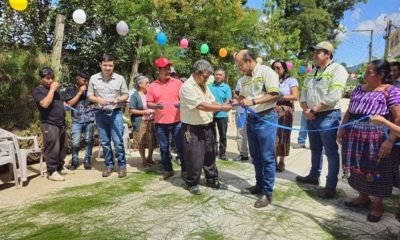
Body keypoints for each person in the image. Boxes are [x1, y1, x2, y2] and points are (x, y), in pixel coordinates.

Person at [337, 60, 400, 222]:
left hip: (377, 138)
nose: (364, 74)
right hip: (354, 135)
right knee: (357, 167)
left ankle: (378, 205)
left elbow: (399, 118)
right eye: (365, 71)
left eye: (369, 72)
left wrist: (390, 140)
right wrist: (342, 127)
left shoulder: (391, 91)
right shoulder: (358, 89)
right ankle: (363, 197)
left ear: (381, 75)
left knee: (379, 169)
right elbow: (350, 111)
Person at [296, 41, 348, 199]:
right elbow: (303, 93)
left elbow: (334, 95)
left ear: (328, 54)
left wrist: (314, 110)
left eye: (318, 52)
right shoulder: (312, 72)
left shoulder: (338, 70)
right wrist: (306, 109)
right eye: (314, 52)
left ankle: (330, 185)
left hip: (328, 116)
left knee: (331, 152)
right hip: (312, 116)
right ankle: (313, 176)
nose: (314, 55)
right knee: (315, 149)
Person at [234, 49, 280, 208]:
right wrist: (238, 99)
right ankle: (259, 185)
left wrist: (252, 102)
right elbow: (241, 96)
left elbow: (274, 94)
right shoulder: (244, 78)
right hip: (252, 119)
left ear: (249, 61)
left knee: (267, 157)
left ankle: (267, 193)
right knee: (255, 156)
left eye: (240, 65)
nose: (239, 68)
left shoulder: (266, 72)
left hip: (266, 119)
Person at [180, 59, 232, 195]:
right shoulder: (187, 87)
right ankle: (192, 182)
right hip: (192, 128)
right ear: (197, 73)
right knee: (195, 156)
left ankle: (212, 178)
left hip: (208, 125)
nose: (207, 79)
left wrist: (224, 105)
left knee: (210, 154)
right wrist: (221, 107)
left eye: (209, 76)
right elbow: (201, 105)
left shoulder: (204, 85)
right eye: (205, 76)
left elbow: (210, 101)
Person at [87, 54, 129, 178]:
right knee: (105, 142)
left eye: (110, 65)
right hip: (100, 113)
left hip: (115, 113)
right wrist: (98, 99)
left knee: (118, 141)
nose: (107, 68)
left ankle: (122, 166)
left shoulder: (120, 78)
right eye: (105, 65)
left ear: (113, 66)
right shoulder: (93, 78)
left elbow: (125, 94)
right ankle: (109, 165)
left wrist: (118, 99)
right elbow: (90, 95)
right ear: (100, 65)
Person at [147, 57, 186, 180]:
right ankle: (168, 170)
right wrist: (156, 106)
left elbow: (185, 98)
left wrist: (181, 103)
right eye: (165, 69)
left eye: (169, 68)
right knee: (164, 148)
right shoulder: (152, 86)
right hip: (160, 123)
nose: (168, 71)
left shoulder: (178, 83)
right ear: (158, 70)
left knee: (181, 146)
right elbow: (149, 103)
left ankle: (185, 170)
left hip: (177, 121)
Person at [32, 67, 69, 181]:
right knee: (52, 147)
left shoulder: (57, 90)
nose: (51, 81)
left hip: (60, 122)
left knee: (63, 146)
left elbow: (60, 103)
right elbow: (45, 104)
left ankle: (60, 166)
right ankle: (52, 171)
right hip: (49, 123)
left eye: (52, 78)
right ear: (41, 79)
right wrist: (52, 90)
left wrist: (65, 106)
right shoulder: (38, 91)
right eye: (47, 78)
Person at [271, 60, 299, 172]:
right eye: (274, 68)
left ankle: (282, 161)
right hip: (271, 110)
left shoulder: (290, 80)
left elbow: (295, 96)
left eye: (278, 68)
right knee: (273, 136)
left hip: (285, 111)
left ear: (284, 69)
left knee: (283, 136)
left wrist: (280, 96)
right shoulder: (270, 80)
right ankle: (273, 160)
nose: (276, 70)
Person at [63, 71, 95, 170]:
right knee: (75, 142)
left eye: (87, 81)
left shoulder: (90, 89)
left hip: (89, 119)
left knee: (88, 140)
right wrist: (80, 92)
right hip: (77, 120)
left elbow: (94, 100)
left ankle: (87, 160)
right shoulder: (70, 89)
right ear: (77, 79)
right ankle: (75, 161)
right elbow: (70, 104)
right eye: (84, 80)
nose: (86, 82)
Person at [129, 75, 157, 168]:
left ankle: (150, 158)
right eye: (147, 82)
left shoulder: (151, 94)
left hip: (152, 121)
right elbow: (131, 110)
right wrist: (144, 112)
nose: (149, 84)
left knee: (152, 141)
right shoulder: (135, 96)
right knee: (142, 142)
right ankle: (144, 160)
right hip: (141, 122)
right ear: (140, 84)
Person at [208, 69, 232, 160]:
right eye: (216, 74)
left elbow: (228, 100)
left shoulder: (226, 87)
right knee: (211, 134)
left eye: (220, 75)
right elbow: (207, 99)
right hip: (211, 114)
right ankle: (213, 151)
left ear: (223, 77)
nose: (218, 76)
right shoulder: (209, 86)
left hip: (222, 115)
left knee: (223, 135)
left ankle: (222, 153)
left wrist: (219, 107)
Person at [233, 75, 250, 161]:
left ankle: (256, 155)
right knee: (240, 133)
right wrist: (240, 98)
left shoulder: (260, 79)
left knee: (254, 134)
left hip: (255, 111)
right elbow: (236, 93)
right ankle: (243, 154)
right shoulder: (241, 80)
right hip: (241, 111)